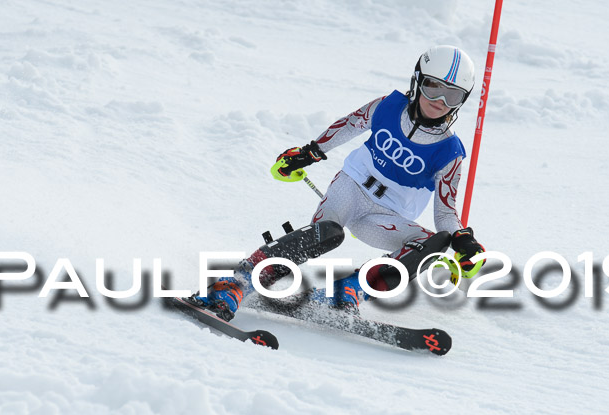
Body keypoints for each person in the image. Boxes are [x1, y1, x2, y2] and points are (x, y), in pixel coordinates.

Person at [196, 45, 487, 321]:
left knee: (434, 243)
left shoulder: (450, 151)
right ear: (417, 81)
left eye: (453, 95)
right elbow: (350, 124)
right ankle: (239, 281)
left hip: (386, 216)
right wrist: (310, 152)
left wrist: (463, 239)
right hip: (351, 187)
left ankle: (349, 290)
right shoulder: (389, 106)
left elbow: (445, 212)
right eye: (433, 87)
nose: (440, 101)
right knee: (328, 233)